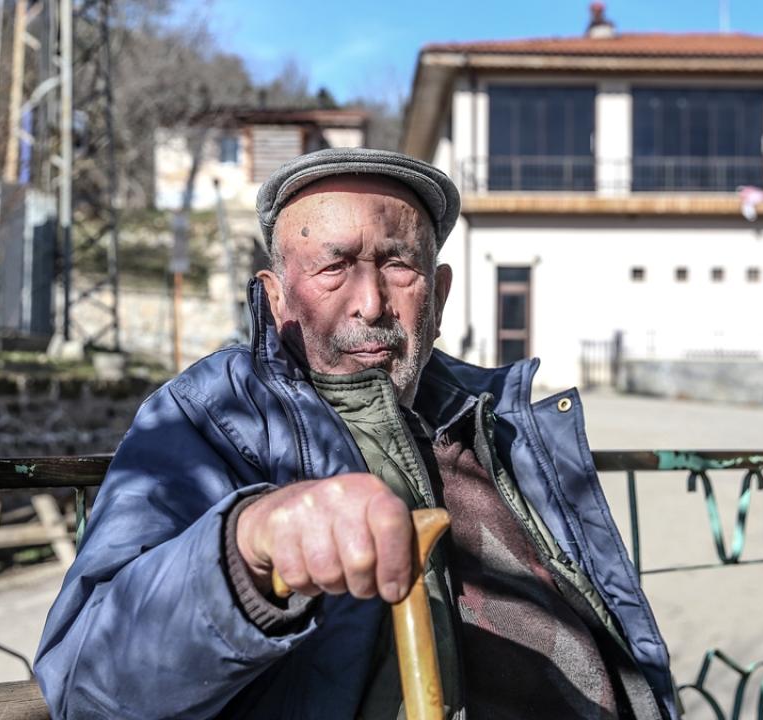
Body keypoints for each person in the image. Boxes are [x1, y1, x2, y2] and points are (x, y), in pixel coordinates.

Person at [35, 148, 677, 720]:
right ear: (276, 295)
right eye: (333, 266)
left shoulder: (501, 416)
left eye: (400, 265)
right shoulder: (208, 416)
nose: (371, 301)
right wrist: (247, 549)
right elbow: (86, 681)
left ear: (441, 292)